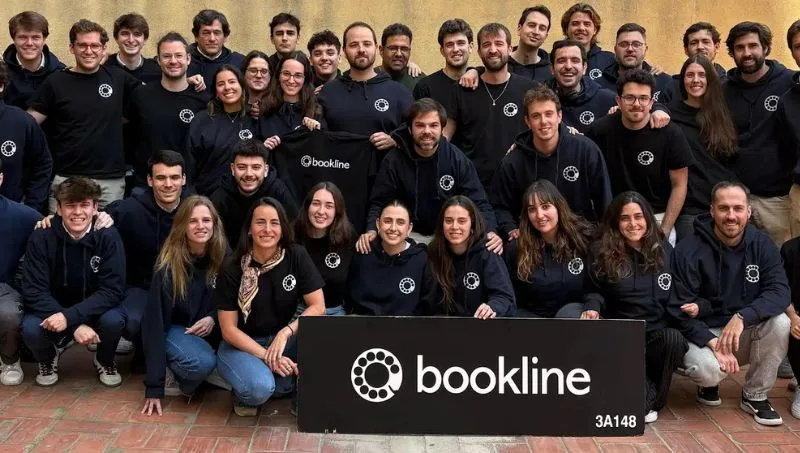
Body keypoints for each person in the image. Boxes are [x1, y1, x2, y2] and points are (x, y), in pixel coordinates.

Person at [670, 181, 790, 426]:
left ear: (749, 211)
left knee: (781, 322)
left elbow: (779, 291)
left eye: (738, 208)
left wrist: (743, 316)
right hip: (704, 333)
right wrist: (712, 342)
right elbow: (677, 308)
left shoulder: (762, 245)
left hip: (742, 331)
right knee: (706, 371)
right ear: (712, 210)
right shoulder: (687, 250)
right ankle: (709, 384)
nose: (731, 215)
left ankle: (755, 395)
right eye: (724, 208)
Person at [214, 197, 324, 416]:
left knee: (323, 333)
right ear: (249, 229)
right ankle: (242, 381)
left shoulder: (296, 255)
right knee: (260, 389)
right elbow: (229, 330)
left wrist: (286, 333)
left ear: (282, 229)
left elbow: (318, 306)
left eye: (274, 223)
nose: (267, 229)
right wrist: (268, 356)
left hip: (281, 340)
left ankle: (274, 380)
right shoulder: (232, 267)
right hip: (242, 345)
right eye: (260, 222)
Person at [591, 191, 688, 423]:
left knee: (674, 339)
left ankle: (651, 396)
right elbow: (592, 289)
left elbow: (680, 293)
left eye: (638, 216)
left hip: (655, 335)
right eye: (625, 218)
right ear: (616, 222)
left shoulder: (664, 250)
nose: (633, 224)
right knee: (637, 404)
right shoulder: (601, 252)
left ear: (647, 218)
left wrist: (697, 307)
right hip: (621, 337)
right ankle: (643, 393)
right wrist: (592, 305)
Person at [27, 19, 142, 212]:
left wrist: (187, 80)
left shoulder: (118, 78)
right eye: (82, 45)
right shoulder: (55, 82)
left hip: (110, 183)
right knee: (61, 231)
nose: (89, 51)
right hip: (67, 180)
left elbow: (154, 95)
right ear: (71, 48)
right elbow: (28, 123)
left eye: (95, 46)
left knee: (107, 230)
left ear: (104, 49)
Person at [21, 178, 126, 387]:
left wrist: (69, 318)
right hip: (54, 308)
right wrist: (74, 325)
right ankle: (48, 358)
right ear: (59, 208)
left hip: (94, 308)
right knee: (30, 328)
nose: (77, 212)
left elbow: (113, 290)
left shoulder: (108, 235)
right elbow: (34, 291)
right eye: (70, 205)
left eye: (84, 205)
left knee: (114, 320)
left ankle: (104, 360)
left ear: (95, 207)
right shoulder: (41, 236)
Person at [361, 98, 500, 249]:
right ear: (410, 129)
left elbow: (479, 202)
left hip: (447, 237)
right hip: (406, 236)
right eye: (420, 125)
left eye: (433, 125)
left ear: (442, 128)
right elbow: (379, 202)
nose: (427, 131)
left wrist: (491, 231)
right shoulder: (394, 160)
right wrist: (371, 230)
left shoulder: (457, 159)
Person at [585, 69, 695, 244]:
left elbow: (679, 185)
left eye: (643, 98)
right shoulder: (599, 131)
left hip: (657, 217)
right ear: (618, 101)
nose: (637, 104)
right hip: (615, 218)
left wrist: (664, 230)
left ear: (651, 102)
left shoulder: (671, 134)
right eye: (629, 98)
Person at [141, 196, 227, 416]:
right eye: (192, 221)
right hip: (177, 330)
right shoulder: (168, 266)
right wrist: (154, 386)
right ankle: (179, 376)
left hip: (210, 331)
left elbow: (233, 298)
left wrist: (213, 317)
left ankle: (209, 372)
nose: (200, 226)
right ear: (182, 226)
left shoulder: (224, 254)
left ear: (214, 224)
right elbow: (154, 325)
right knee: (201, 363)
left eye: (206, 220)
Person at [105, 150, 189, 369]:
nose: (168, 184)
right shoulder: (129, 210)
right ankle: (141, 349)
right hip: (142, 286)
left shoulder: (195, 210)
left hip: (183, 285)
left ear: (183, 179)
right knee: (134, 320)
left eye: (174, 177)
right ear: (150, 181)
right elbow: (88, 220)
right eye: (161, 178)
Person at [491, 85, 611, 233]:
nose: (543, 121)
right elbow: (500, 206)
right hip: (533, 238)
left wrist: (603, 236)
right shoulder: (513, 162)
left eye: (549, 114)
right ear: (527, 121)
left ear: (559, 116)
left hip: (580, 236)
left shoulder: (586, 150)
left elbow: (604, 201)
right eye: (536, 116)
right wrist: (511, 229)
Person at [723, 22, 794, 246]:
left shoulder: (789, 83)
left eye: (753, 46)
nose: (747, 53)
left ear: (765, 48)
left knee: (781, 260)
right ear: (732, 52)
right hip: (736, 199)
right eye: (739, 47)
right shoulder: (723, 90)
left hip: (778, 200)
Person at [445, 22, 538, 190]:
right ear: (479, 51)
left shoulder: (530, 90)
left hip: (518, 184)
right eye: (486, 45)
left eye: (499, 44)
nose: (493, 50)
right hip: (472, 186)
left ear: (510, 49)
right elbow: (445, 136)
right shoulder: (461, 90)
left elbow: (544, 128)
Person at [504, 180, 601, 319]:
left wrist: (593, 306)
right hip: (533, 321)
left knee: (568, 313)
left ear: (558, 207)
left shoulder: (582, 240)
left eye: (545, 206)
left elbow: (595, 288)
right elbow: (508, 297)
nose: (539, 215)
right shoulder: (516, 249)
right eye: (532, 209)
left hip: (573, 318)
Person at [668, 56, 738, 240]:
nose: (696, 80)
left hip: (723, 204)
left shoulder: (722, 113)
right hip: (689, 210)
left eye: (702, 75)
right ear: (682, 79)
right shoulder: (670, 115)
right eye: (690, 75)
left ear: (710, 79)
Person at [127, 32, 208, 190]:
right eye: (166, 56)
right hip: (146, 184)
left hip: (187, 186)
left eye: (178, 55)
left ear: (188, 59)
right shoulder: (141, 95)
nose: (173, 61)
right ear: (158, 60)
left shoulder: (203, 100)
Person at [316, 22, 414, 152]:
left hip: (385, 165)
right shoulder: (328, 92)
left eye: (367, 44)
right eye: (354, 45)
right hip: (338, 164)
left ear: (376, 48)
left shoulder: (400, 93)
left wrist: (395, 140)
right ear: (344, 51)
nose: (361, 50)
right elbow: (317, 138)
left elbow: (414, 133)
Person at [428, 196, 516, 318]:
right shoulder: (433, 253)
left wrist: (492, 307)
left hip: (479, 324)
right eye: (448, 221)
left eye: (462, 221)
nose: (454, 226)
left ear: (472, 225)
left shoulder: (487, 251)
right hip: (442, 325)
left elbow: (505, 298)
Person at [348, 200, 436, 316]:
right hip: (364, 324)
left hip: (407, 326)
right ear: (378, 224)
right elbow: (350, 297)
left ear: (409, 228)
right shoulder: (363, 252)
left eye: (400, 222)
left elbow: (427, 306)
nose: (393, 228)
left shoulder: (422, 259)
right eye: (388, 221)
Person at [0, 159, 42, 386]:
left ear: (0, 178)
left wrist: (103, 217)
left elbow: (56, 225)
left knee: (8, 315)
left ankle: (9, 360)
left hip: (3, 287)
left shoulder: (21, 215)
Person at [187, 64, 260, 196]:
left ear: (242, 86)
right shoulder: (202, 120)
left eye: (232, 82)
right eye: (221, 84)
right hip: (207, 197)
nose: (227, 87)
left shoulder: (255, 118)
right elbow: (190, 162)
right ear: (215, 91)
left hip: (247, 197)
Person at [210, 139, 297, 246]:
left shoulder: (278, 191)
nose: (249, 174)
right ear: (232, 169)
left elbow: (292, 229)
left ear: (265, 170)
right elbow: (215, 240)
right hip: (232, 254)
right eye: (242, 167)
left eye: (256, 167)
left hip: (272, 250)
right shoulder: (220, 197)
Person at [293, 182, 356, 316]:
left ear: (337, 210)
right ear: (307, 206)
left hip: (335, 312)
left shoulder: (348, 238)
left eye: (329, 206)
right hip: (297, 310)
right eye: (316, 204)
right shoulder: (293, 236)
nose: (321, 211)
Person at [0, 60, 52, 210]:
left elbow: (43, 163)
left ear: (1, 86)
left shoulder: (21, 122)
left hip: (11, 213)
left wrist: (30, 206)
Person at [545, 39, 616, 132]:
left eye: (575, 61)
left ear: (584, 67)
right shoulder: (538, 102)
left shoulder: (608, 100)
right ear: (552, 68)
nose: (568, 66)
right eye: (561, 61)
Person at [595, 23, 673, 103]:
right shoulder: (598, 86)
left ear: (645, 49)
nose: (630, 49)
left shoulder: (665, 83)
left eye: (636, 44)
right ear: (615, 49)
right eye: (623, 44)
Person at [3, 11, 65, 109]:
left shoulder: (61, 74)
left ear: (44, 39)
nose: (29, 43)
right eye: (23, 37)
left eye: (35, 37)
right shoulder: (2, 74)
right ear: (13, 39)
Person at [660, 22, 728, 104]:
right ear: (686, 50)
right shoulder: (672, 87)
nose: (700, 47)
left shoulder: (728, 86)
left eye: (705, 42)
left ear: (716, 47)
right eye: (694, 43)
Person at [413, 19, 473, 107]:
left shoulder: (481, 84)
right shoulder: (425, 87)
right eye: (449, 45)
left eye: (460, 43)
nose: (455, 49)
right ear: (442, 51)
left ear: (470, 47)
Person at [260, 53, 321, 140]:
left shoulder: (316, 111)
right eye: (286, 74)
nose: (291, 81)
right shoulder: (265, 109)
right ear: (278, 76)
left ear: (305, 79)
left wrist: (318, 132)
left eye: (298, 75)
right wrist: (263, 146)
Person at [187, 9, 245, 95]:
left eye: (217, 33)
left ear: (225, 37)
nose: (212, 39)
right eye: (206, 33)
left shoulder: (239, 62)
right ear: (196, 36)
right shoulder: (181, 62)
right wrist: (184, 82)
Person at [560, 3, 615, 80]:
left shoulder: (610, 61)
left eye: (587, 24)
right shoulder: (554, 60)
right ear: (566, 29)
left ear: (595, 30)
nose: (581, 28)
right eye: (575, 24)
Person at [104, 13, 161, 84]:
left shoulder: (157, 71)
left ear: (145, 40)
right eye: (125, 33)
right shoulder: (104, 67)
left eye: (137, 34)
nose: (131, 40)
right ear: (116, 38)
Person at [779, 229, 800, 418]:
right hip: (797, 314)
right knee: (787, 324)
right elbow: (780, 290)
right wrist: (793, 316)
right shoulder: (790, 249)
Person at [508, 5, 552, 82]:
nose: (536, 32)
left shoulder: (551, 70)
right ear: (519, 28)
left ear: (545, 36)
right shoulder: (502, 63)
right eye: (531, 25)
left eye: (542, 28)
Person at [378, 23, 424, 91]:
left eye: (404, 49)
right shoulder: (368, 78)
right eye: (393, 48)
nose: (399, 54)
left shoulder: (420, 83)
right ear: (381, 50)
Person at [241, 51, 270, 117]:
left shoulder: (280, 108)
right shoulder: (234, 105)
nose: (258, 76)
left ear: (270, 76)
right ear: (244, 73)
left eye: (264, 71)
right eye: (253, 70)